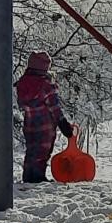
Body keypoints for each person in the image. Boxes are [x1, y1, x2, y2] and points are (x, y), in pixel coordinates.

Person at [16, 50, 74, 183]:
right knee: (42, 152)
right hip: (45, 125)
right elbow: (54, 107)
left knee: (31, 151)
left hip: (30, 124)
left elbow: (21, 103)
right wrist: (62, 122)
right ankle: (38, 177)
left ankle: (28, 176)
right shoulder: (46, 85)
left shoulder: (22, 83)